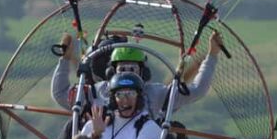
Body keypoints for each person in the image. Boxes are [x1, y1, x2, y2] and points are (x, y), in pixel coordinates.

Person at [51, 30, 225, 117]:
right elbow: (60, 94)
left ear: (143, 73)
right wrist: (65, 59)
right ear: (111, 72)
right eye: (122, 69)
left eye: (132, 70)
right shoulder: (96, 92)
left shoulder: (155, 94)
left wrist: (212, 55)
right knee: (71, 133)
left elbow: (197, 90)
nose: (127, 75)